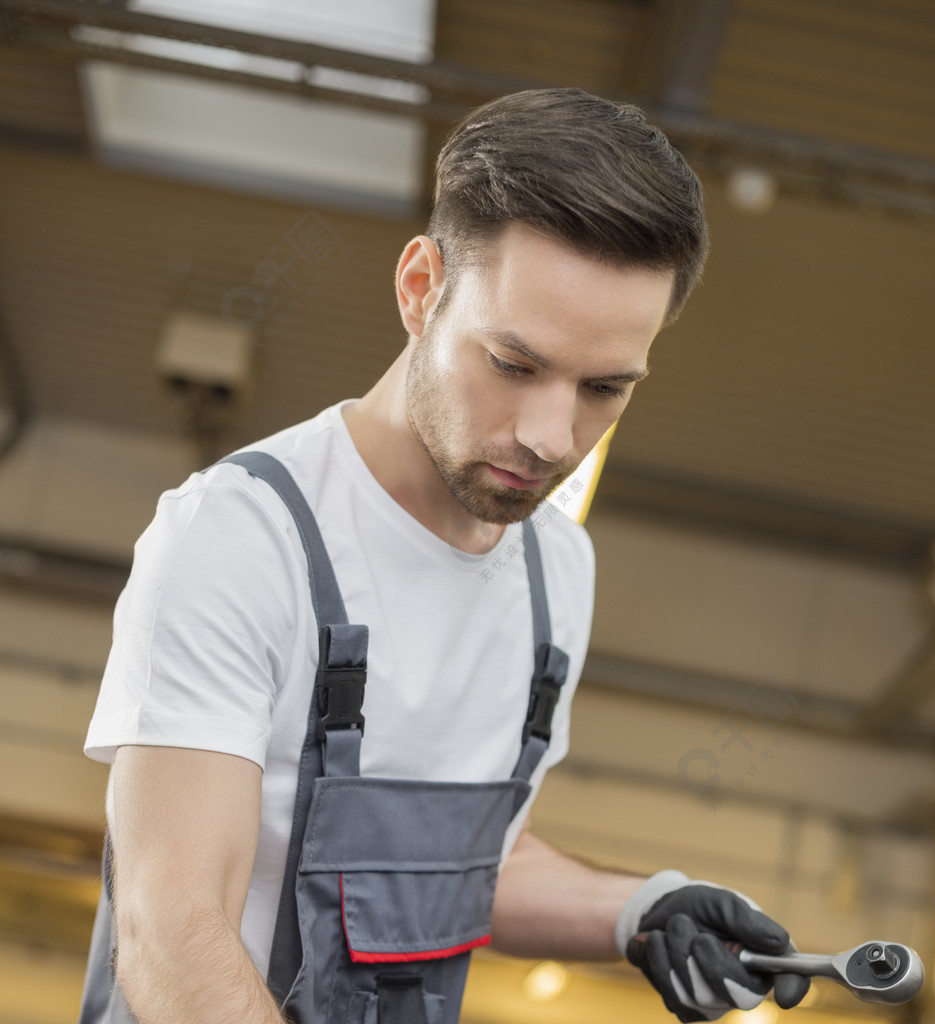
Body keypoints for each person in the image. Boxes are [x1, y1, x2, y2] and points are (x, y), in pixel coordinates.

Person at [79, 88, 808, 1024]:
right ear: (420, 289)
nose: (551, 436)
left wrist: (639, 908)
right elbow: (172, 930)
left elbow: (468, 868)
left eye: (605, 388)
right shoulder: (242, 538)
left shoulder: (556, 577)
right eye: (513, 364)